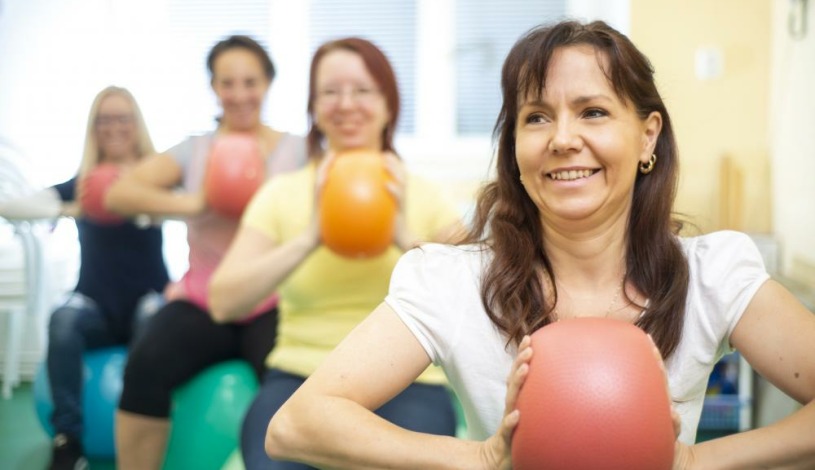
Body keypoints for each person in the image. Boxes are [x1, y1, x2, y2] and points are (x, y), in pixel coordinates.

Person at [263, 20, 815, 469]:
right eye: (536, 117)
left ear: (647, 135)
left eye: (593, 112)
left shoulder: (712, 273)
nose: (563, 139)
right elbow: (295, 425)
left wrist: (697, 461)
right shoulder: (453, 281)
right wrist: (481, 458)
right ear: (514, 146)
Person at [208, 37, 466, 469]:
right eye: (330, 91)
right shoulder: (282, 194)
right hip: (300, 380)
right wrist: (309, 237)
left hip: (410, 382)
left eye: (362, 90)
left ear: (388, 104)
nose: (346, 104)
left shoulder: (425, 195)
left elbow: (473, 300)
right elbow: (223, 301)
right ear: (314, 107)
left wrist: (403, 235)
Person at [106, 35, 306, 469]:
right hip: (204, 302)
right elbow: (120, 194)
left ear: (268, 83)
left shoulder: (299, 151)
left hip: (274, 303)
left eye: (250, 82)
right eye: (227, 83)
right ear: (213, 87)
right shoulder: (195, 149)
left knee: (291, 390)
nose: (239, 94)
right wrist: (197, 203)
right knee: (144, 366)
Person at [0, 86, 170, 470]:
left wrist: (145, 205)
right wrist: (73, 207)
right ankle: (68, 441)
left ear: (136, 124)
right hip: (95, 306)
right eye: (104, 119)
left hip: (147, 302)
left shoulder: (157, 178)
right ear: (94, 127)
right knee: (63, 319)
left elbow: (197, 207)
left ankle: (141, 433)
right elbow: (13, 208)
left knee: (154, 313)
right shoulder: (83, 183)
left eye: (122, 118)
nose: (114, 127)